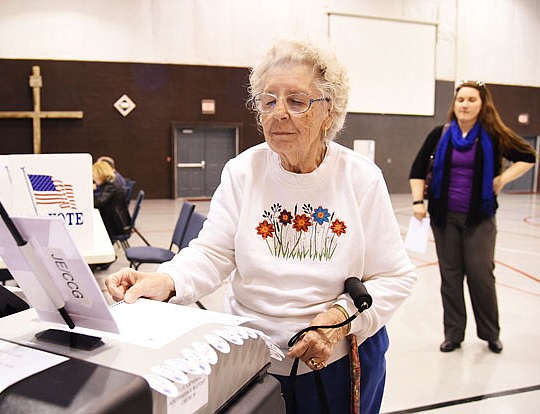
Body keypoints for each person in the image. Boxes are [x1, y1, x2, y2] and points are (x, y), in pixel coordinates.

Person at [106, 37, 417, 414]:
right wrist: (166, 280)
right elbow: (213, 252)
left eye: (297, 101)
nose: (278, 112)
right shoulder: (243, 171)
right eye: (268, 101)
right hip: (251, 360)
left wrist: (337, 321)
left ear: (329, 113)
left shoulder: (361, 179)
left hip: (333, 363)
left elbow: (395, 277)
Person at [409, 81, 537, 354]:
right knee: (451, 277)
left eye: (471, 100)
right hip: (445, 217)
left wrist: (502, 179)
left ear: (482, 105)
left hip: (479, 217)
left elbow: (528, 156)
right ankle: (454, 334)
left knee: (481, 275)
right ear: (454, 105)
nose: (464, 105)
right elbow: (417, 169)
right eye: (460, 100)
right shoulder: (439, 134)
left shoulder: (493, 134)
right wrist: (418, 201)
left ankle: (490, 333)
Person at [92, 160, 131, 238]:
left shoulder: (110, 186)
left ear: (100, 174)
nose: (94, 179)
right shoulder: (109, 183)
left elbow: (97, 203)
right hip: (115, 220)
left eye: (94, 177)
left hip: (116, 225)